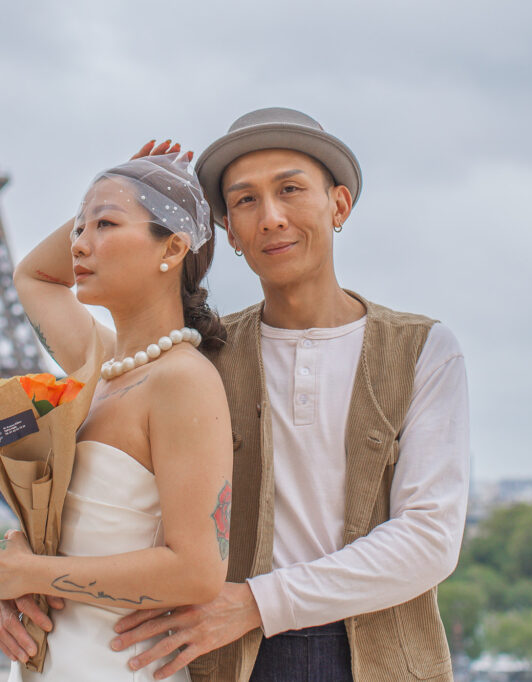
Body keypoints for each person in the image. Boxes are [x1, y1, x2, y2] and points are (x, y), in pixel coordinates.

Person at [102, 108, 472, 681]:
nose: (271, 217)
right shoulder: (200, 357)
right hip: (226, 656)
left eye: (291, 190)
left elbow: (429, 540)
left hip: (366, 654)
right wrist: (119, 192)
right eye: (245, 201)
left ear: (339, 205)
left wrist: (256, 603)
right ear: (229, 232)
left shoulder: (425, 349)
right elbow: (115, 492)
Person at [0, 144, 234, 681]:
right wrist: (114, 190)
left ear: (173, 247)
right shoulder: (103, 364)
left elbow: (199, 571)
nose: (80, 245)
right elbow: (35, 277)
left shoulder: (182, 380)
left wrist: (33, 573)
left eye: (106, 226)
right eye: (78, 229)